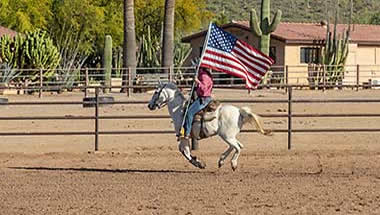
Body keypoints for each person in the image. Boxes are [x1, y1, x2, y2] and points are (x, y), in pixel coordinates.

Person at [183, 67, 213, 139]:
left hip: (204, 98)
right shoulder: (205, 75)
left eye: (196, 68)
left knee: (189, 112)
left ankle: (187, 133)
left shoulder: (203, 76)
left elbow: (204, 88)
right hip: (203, 97)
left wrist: (197, 81)